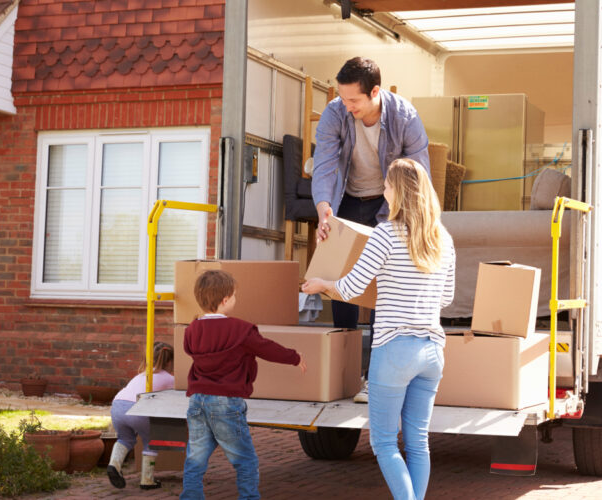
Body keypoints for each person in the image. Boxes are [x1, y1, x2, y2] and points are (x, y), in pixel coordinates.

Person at [303, 158, 455, 500]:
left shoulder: (385, 234)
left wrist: (320, 284)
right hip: (432, 351)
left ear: (399, 192)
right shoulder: (443, 239)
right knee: (418, 442)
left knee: (384, 442)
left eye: (387, 185)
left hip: (394, 349)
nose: (383, 191)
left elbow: (353, 286)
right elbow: (446, 297)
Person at [312, 56, 430, 403]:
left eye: (354, 101)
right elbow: (325, 164)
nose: (346, 106)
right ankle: (345, 374)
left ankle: (377, 378)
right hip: (346, 199)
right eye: (342, 98)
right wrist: (323, 209)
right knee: (341, 278)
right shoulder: (336, 113)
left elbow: (418, 172)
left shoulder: (404, 117)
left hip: (390, 204)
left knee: (384, 284)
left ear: (375, 92)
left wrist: (402, 220)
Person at [180, 270, 307, 500]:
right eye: (235, 296)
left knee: (195, 459)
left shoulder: (192, 330)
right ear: (225, 300)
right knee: (245, 460)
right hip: (226, 403)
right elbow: (267, 348)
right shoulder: (240, 330)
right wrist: (294, 357)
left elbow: (190, 350)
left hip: (197, 400)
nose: (236, 300)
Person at [107, 341, 175, 490]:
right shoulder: (169, 379)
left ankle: (114, 465)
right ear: (170, 362)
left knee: (125, 439)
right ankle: (147, 480)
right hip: (138, 408)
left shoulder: (142, 375)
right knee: (151, 441)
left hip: (117, 406)